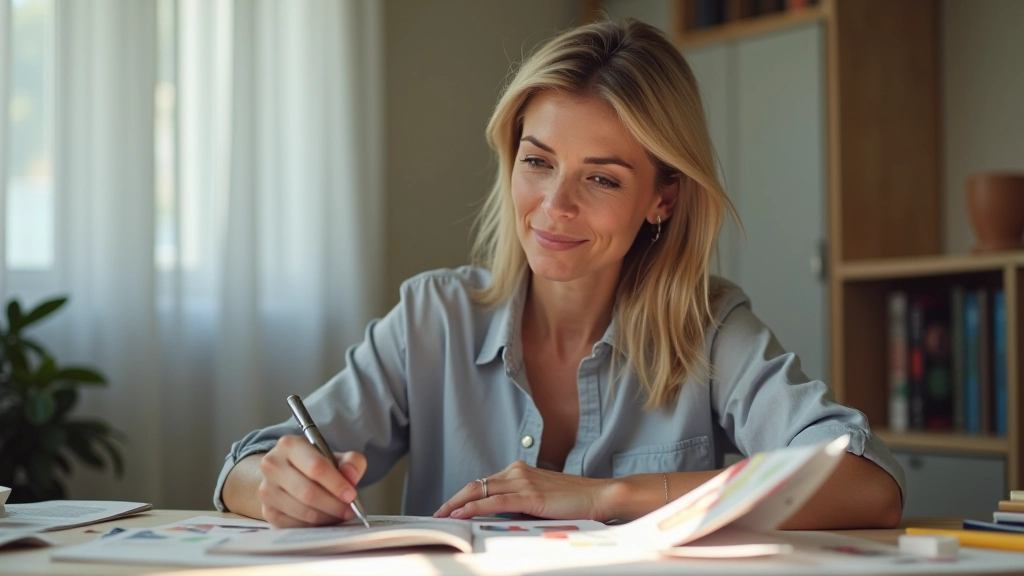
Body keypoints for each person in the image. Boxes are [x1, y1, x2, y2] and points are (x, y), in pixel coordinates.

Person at [215, 19, 905, 530]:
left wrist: (607, 498)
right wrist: (271, 484)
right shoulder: (433, 319)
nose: (554, 207)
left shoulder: (712, 331)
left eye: (600, 178)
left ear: (662, 198)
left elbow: (868, 485)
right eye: (537, 161)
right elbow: (248, 465)